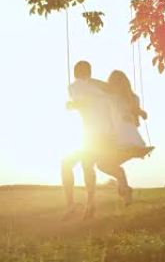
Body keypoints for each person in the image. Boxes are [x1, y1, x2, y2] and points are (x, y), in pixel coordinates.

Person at [62, 60, 110, 220]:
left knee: (67, 164)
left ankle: (71, 205)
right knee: (87, 166)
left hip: (90, 132)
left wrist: (72, 105)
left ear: (76, 73)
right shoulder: (98, 88)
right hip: (104, 133)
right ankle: (90, 204)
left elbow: (84, 102)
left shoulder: (75, 86)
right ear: (89, 73)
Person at [97, 70, 153, 204]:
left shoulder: (109, 97)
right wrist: (138, 113)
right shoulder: (134, 98)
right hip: (136, 143)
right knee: (113, 166)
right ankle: (125, 190)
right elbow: (137, 123)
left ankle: (124, 188)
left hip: (119, 142)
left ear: (111, 83)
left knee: (102, 164)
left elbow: (94, 84)